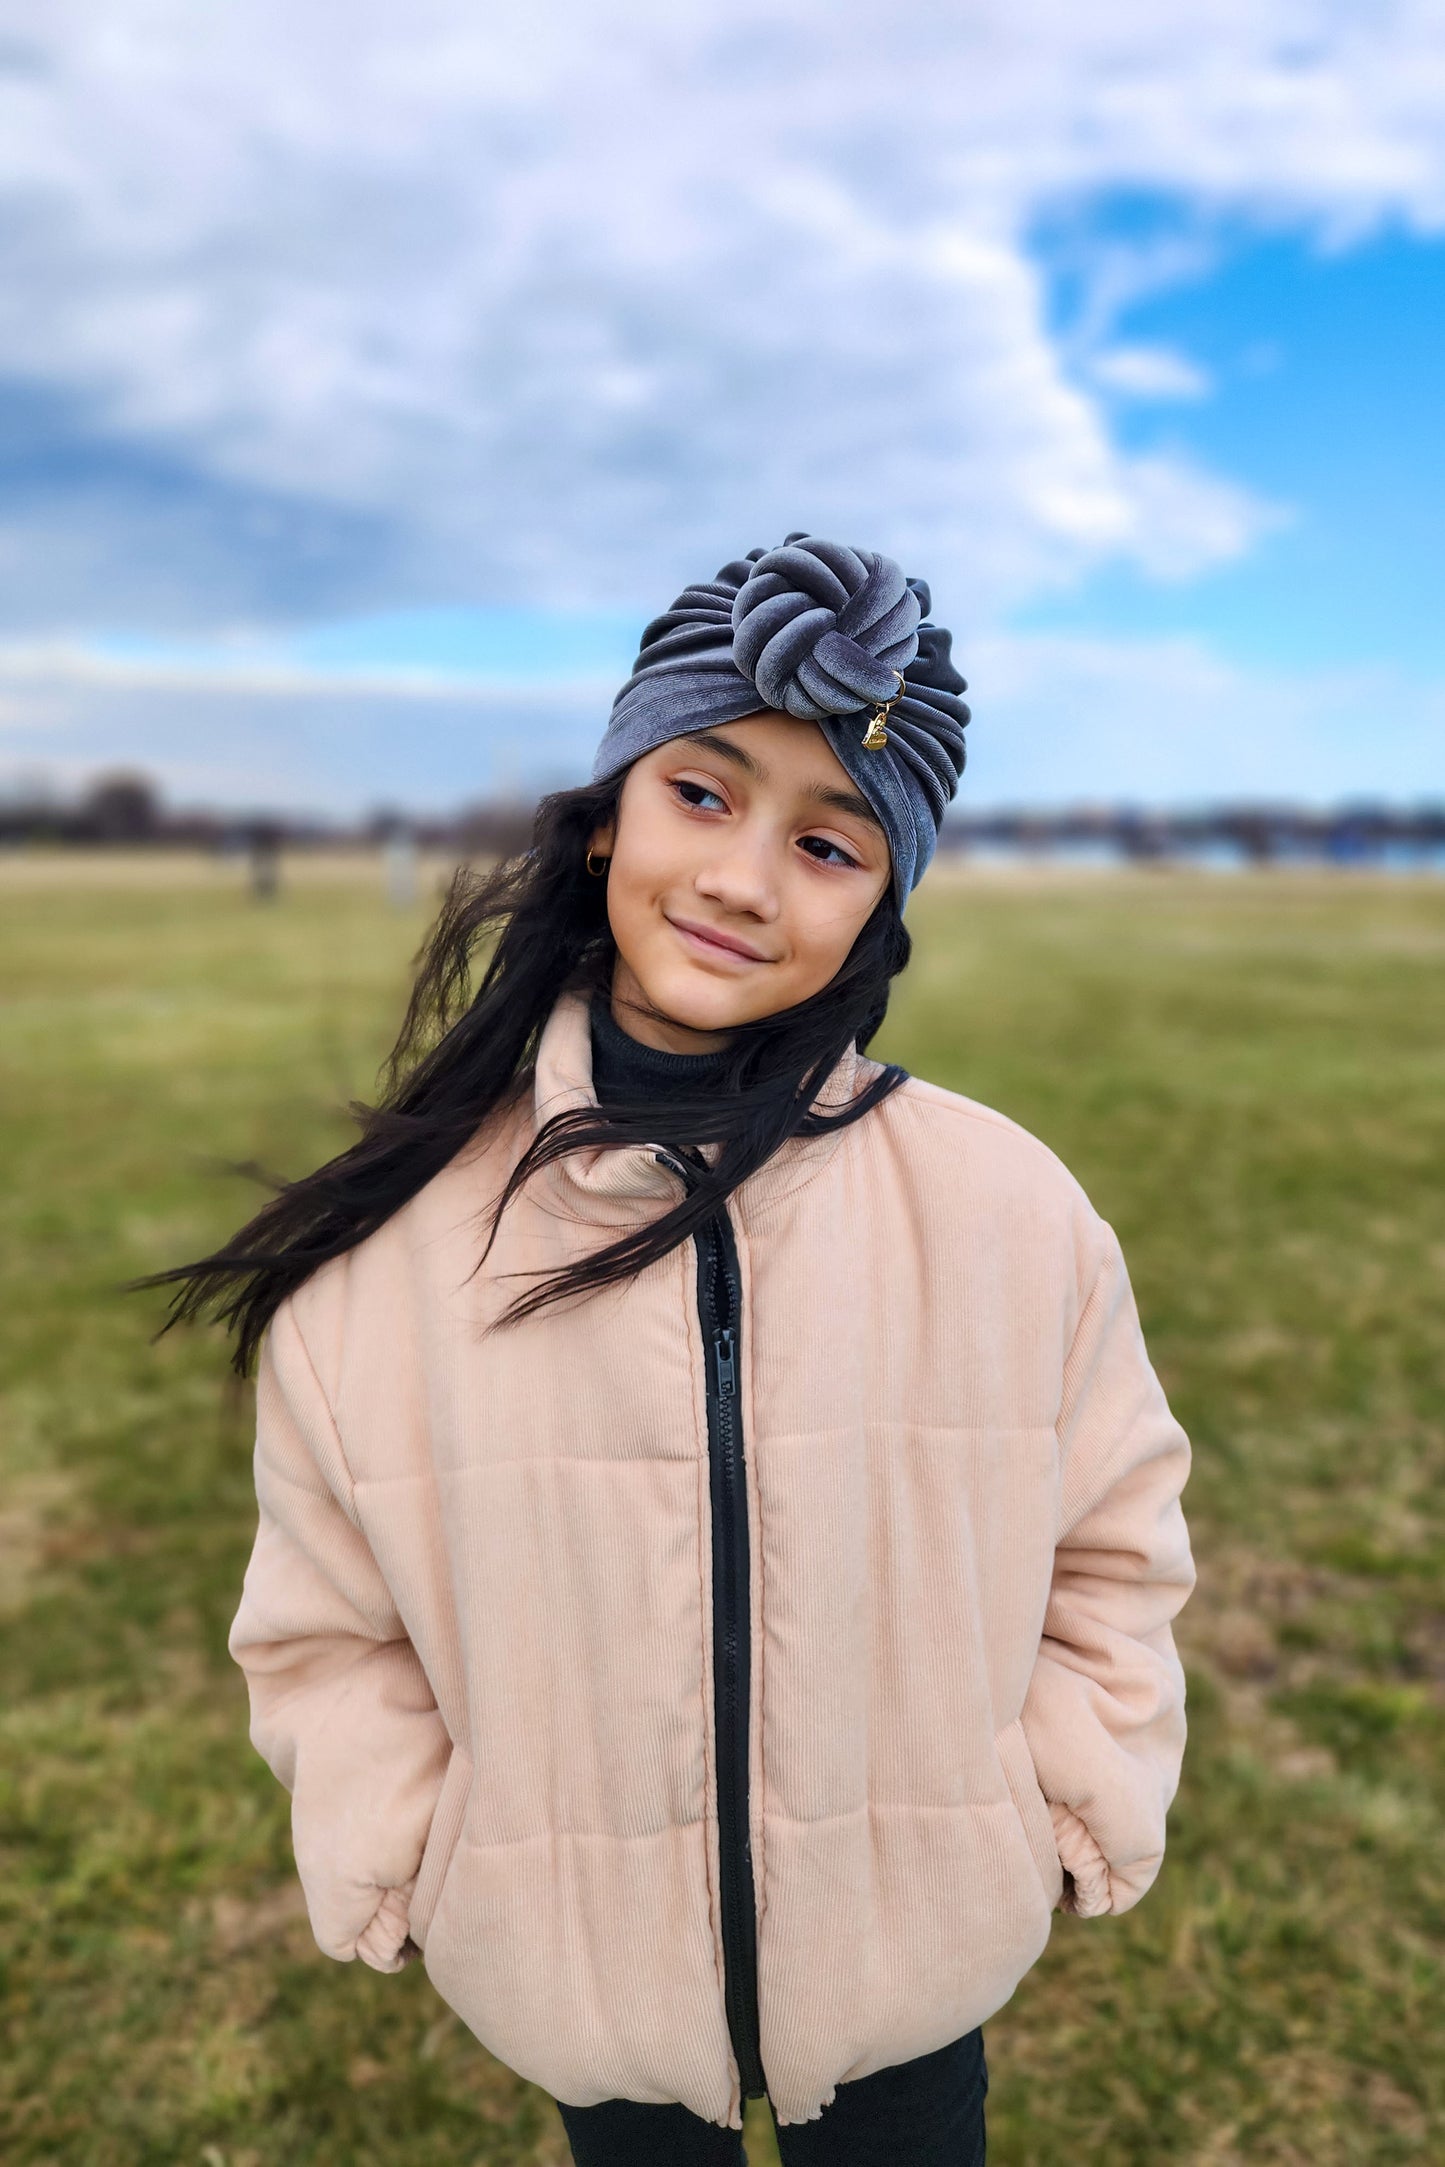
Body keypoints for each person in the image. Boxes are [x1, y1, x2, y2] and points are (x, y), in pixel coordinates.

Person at [144, 534, 1195, 2164]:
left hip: (915, 1956)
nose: (739, 880)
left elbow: (1114, 1539)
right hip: (583, 1981)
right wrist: (429, 1842)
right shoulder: (398, 1256)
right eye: (700, 795)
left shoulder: (1007, 1214)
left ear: (883, 904)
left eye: (829, 842)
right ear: (608, 815)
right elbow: (326, 1623)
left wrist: (1046, 1786)